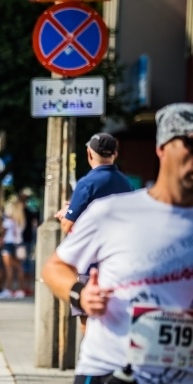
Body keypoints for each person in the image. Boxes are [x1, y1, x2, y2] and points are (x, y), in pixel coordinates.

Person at [42, 103, 193, 384]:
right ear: (162, 148)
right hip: (108, 379)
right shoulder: (117, 211)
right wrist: (80, 292)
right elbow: (55, 267)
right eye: (189, 144)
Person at [55, 132, 132, 331]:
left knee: (88, 325)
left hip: (90, 266)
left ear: (89, 153)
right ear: (115, 154)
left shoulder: (87, 183)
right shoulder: (126, 183)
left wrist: (64, 214)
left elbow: (68, 226)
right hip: (119, 264)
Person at [0, 195, 27, 299]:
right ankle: (20, 290)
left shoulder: (8, 221)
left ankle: (8, 289)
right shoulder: (21, 220)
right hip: (19, 244)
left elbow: (2, 233)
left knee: (8, 269)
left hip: (8, 244)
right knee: (19, 268)